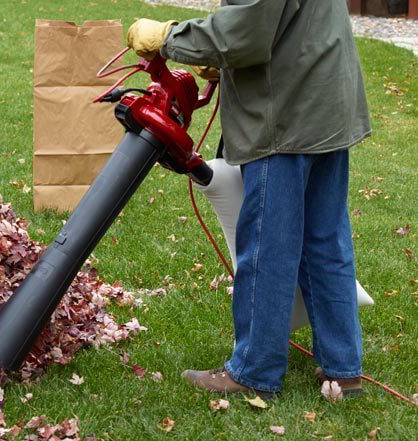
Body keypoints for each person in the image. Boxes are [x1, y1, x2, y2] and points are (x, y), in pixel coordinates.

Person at [126, 0, 370, 396]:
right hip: (326, 101)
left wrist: (169, 37)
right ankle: (343, 370)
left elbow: (246, 34)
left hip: (286, 115)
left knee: (268, 246)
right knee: (325, 239)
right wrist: (221, 59)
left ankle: (255, 370)